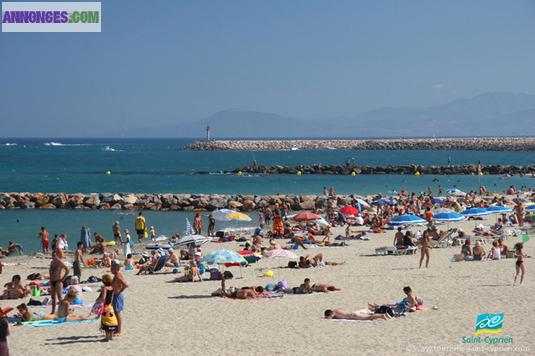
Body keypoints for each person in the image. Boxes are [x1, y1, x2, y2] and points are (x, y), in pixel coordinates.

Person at [49, 248, 70, 314]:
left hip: (58, 281)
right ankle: (53, 311)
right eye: (52, 255)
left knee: (60, 297)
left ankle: (64, 310)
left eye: (54, 255)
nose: (53, 256)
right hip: (52, 281)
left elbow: (67, 270)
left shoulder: (60, 261)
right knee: (53, 297)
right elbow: (51, 271)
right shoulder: (52, 262)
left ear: (57, 255)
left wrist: (63, 279)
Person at [111, 259, 128, 335]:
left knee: (117, 313)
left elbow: (125, 285)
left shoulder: (118, 275)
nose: (111, 269)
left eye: (112, 267)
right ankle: (117, 329)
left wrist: (120, 291)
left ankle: (119, 331)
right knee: (115, 312)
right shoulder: (117, 274)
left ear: (115, 267)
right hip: (115, 295)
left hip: (117, 296)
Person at [100, 274, 118, 341]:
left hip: (105, 306)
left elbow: (103, 298)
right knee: (111, 320)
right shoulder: (112, 288)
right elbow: (112, 297)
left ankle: (107, 337)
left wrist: (100, 303)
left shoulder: (105, 288)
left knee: (106, 321)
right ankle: (111, 337)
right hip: (110, 306)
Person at [324, 309, 389, 320]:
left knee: (368, 318)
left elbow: (330, 317)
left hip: (352, 315)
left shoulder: (334, 311)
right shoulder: (337, 309)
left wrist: (326, 318)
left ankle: (381, 315)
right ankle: (383, 315)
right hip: (353, 313)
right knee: (368, 316)